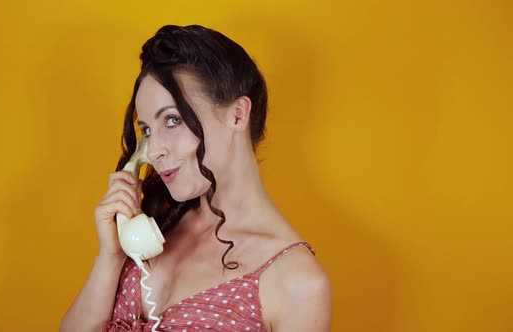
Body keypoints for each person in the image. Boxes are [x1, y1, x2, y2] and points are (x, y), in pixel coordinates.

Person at [60, 24, 331, 332]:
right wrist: (111, 255)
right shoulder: (155, 223)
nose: (154, 150)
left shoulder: (297, 282)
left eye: (172, 120)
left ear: (238, 115)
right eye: (147, 130)